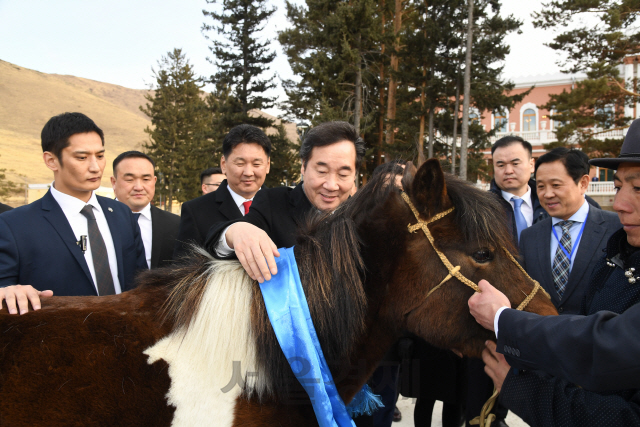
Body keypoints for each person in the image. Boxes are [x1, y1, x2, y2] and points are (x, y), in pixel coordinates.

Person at [468, 118, 640, 425]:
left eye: (638, 188)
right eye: (617, 186)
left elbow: (612, 342)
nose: (620, 203)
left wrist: (503, 320)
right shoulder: (534, 235)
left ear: (583, 183)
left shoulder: (614, 231)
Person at [0, 112, 147, 315]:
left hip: (124, 339)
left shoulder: (122, 214)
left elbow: (141, 282)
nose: (96, 167)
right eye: (82, 157)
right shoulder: (14, 226)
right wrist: (7, 290)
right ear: (51, 161)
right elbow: (3, 288)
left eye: (100, 156)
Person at [204, 121, 364, 283]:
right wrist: (235, 232)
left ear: (354, 175)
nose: (331, 185)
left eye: (343, 174)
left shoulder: (363, 215)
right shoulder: (272, 203)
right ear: (303, 166)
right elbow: (219, 249)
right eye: (322, 171)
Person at [519, 148, 620, 314]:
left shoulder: (616, 228)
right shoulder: (529, 236)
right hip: (542, 335)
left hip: (596, 336)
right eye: (541, 186)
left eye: (556, 185)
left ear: (583, 183)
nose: (547, 194)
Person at [173, 124, 271, 259]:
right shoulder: (196, 210)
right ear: (224, 165)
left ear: (268, 165)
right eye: (240, 164)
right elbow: (183, 269)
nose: (248, 173)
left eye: (256, 164)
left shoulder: (282, 205)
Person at [111, 151, 180, 269]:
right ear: (114, 182)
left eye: (146, 179)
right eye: (129, 179)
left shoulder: (176, 224)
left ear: (154, 181)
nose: (138, 187)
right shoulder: (98, 220)